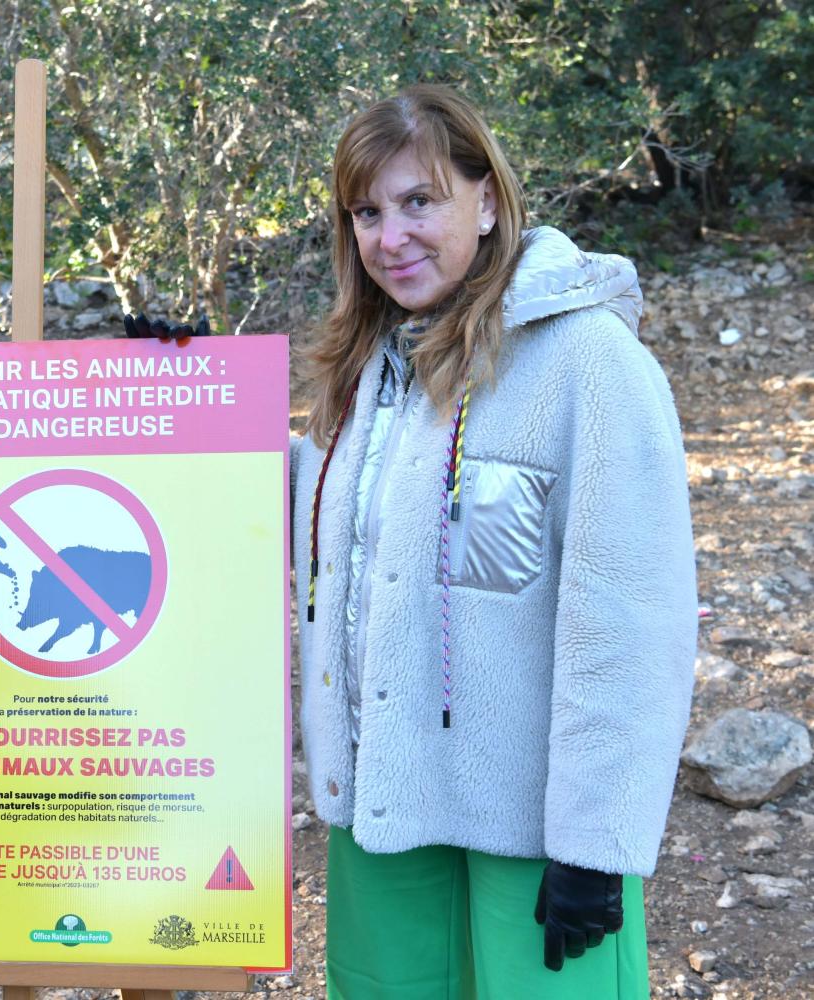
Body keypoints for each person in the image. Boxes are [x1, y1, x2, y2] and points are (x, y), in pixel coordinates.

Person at [289, 85, 695, 997]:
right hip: (385, 815)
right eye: (367, 213)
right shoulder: (371, 370)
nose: (390, 238)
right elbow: (319, 512)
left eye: (418, 202)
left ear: (487, 198)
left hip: (535, 836)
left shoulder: (589, 365)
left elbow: (630, 621)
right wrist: (188, 395)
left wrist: (596, 844)